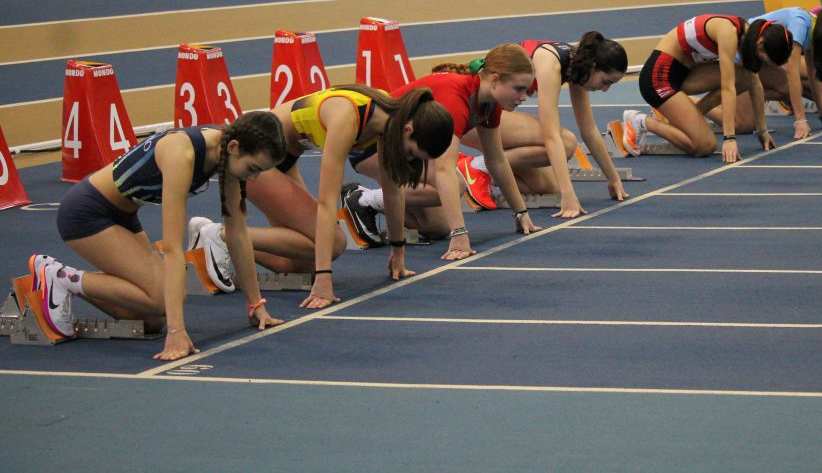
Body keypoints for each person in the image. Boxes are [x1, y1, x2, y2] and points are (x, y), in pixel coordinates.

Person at [32, 111, 286, 361]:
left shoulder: (226, 155)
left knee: (152, 321)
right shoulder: (181, 155)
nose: (254, 178)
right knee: (163, 299)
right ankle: (59, 277)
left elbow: (237, 234)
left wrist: (255, 305)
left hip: (123, 215)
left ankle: (84, 281)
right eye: (253, 168)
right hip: (85, 214)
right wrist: (177, 331)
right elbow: (173, 249)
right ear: (234, 147)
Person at [190, 85, 454, 309]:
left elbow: (392, 189)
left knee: (302, 266)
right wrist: (325, 279)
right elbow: (327, 202)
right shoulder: (348, 118)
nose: (408, 159)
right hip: (256, 159)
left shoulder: (390, 120)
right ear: (407, 130)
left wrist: (398, 252)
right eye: (411, 153)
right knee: (335, 244)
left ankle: (226, 242)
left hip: (284, 157)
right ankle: (220, 236)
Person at [349, 43, 542, 261]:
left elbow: (496, 159)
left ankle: (374, 203)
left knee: (436, 227)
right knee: (456, 185)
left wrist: (521, 213)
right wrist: (459, 234)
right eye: (519, 89)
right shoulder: (456, 97)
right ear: (495, 80)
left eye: (526, 90)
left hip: (411, 150)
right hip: (372, 146)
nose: (524, 96)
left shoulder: (489, 103)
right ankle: (363, 200)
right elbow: (443, 169)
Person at [458, 32, 630, 218]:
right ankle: (476, 167)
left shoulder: (579, 67)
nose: (605, 89)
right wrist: (569, 195)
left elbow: (589, 129)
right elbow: (551, 136)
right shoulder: (551, 63)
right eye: (606, 82)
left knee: (549, 187)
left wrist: (613, 178)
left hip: (491, 115)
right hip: (473, 116)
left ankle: (476, 176)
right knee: (566, 142)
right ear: (593, 66)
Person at [622, 15, 792, 163]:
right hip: (658, 79)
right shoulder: (728, 33)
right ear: (760, 44)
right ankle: (640, 121)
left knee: (746, 76)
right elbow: (728, 88)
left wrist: (762, 130)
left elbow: (755, 82)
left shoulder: (747, 36)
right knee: (705, 145)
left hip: (683, 73)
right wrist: (729, 138)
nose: (761, 63)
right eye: (764, 60)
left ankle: (690, 117)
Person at [752, 5, 822, 139]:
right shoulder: (800, 25)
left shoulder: (816, 29)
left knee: (788, 87)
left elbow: (813, 75)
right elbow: (792, 71)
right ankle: (747, 94)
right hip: (746, 55)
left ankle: (755, 93)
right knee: (746, 125)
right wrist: (800, 120)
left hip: (764, 58)